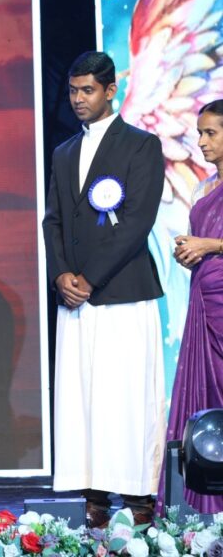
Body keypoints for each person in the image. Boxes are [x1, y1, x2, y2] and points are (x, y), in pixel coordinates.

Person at [42, 51, 166, 527]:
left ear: (111, 90)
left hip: (122, 293)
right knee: (83, 398)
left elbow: (136, 222)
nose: (78, 99)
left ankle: (138, 500)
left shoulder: (141, 145)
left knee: (127, 396)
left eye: (88, 90)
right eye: (73, 91)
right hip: (75, 299)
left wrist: (89, 278)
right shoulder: (64, 152)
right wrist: (61, 276)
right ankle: (94, 497)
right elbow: (53, 220)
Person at [156, 99, 223, 515]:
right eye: (199, 133)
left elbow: (212, 242)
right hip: (204, 299)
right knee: (204, 399)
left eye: (210, 133)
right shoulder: (203, 188)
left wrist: (209, 245)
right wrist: (189, 250)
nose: (201, 141)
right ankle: (203, 506)